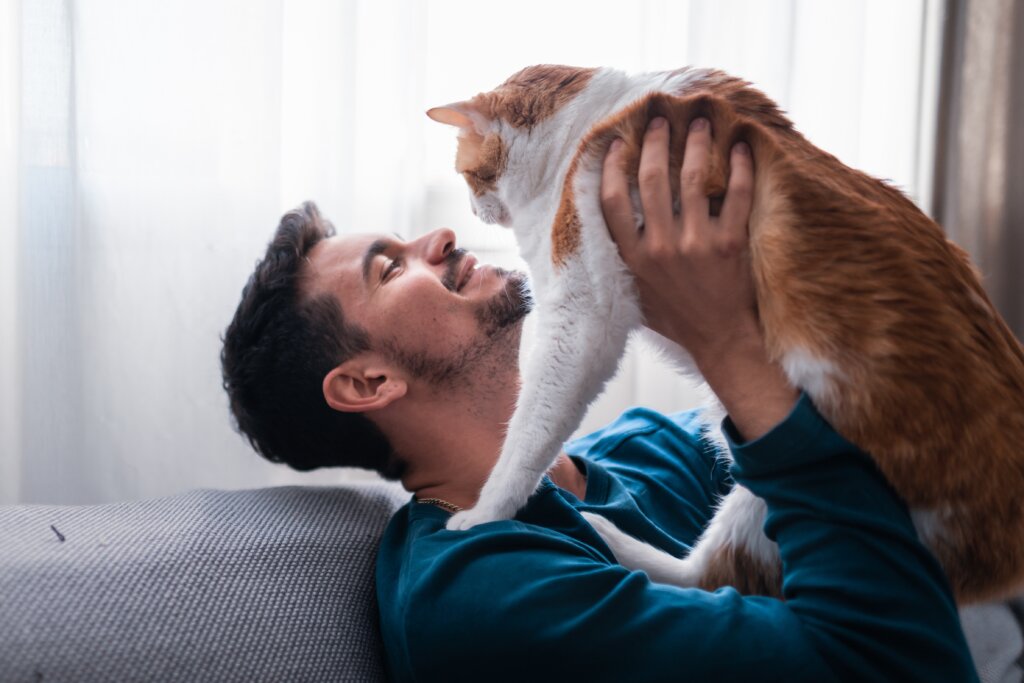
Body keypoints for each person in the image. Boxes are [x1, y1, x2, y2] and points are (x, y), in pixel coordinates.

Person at [221, 118, 979, 682]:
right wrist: (721, 343)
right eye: (389, 267)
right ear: (366, 383)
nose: (441, 237)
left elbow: (896, 449)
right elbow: (908, 663)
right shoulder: (478, 593)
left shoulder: (653, 447)